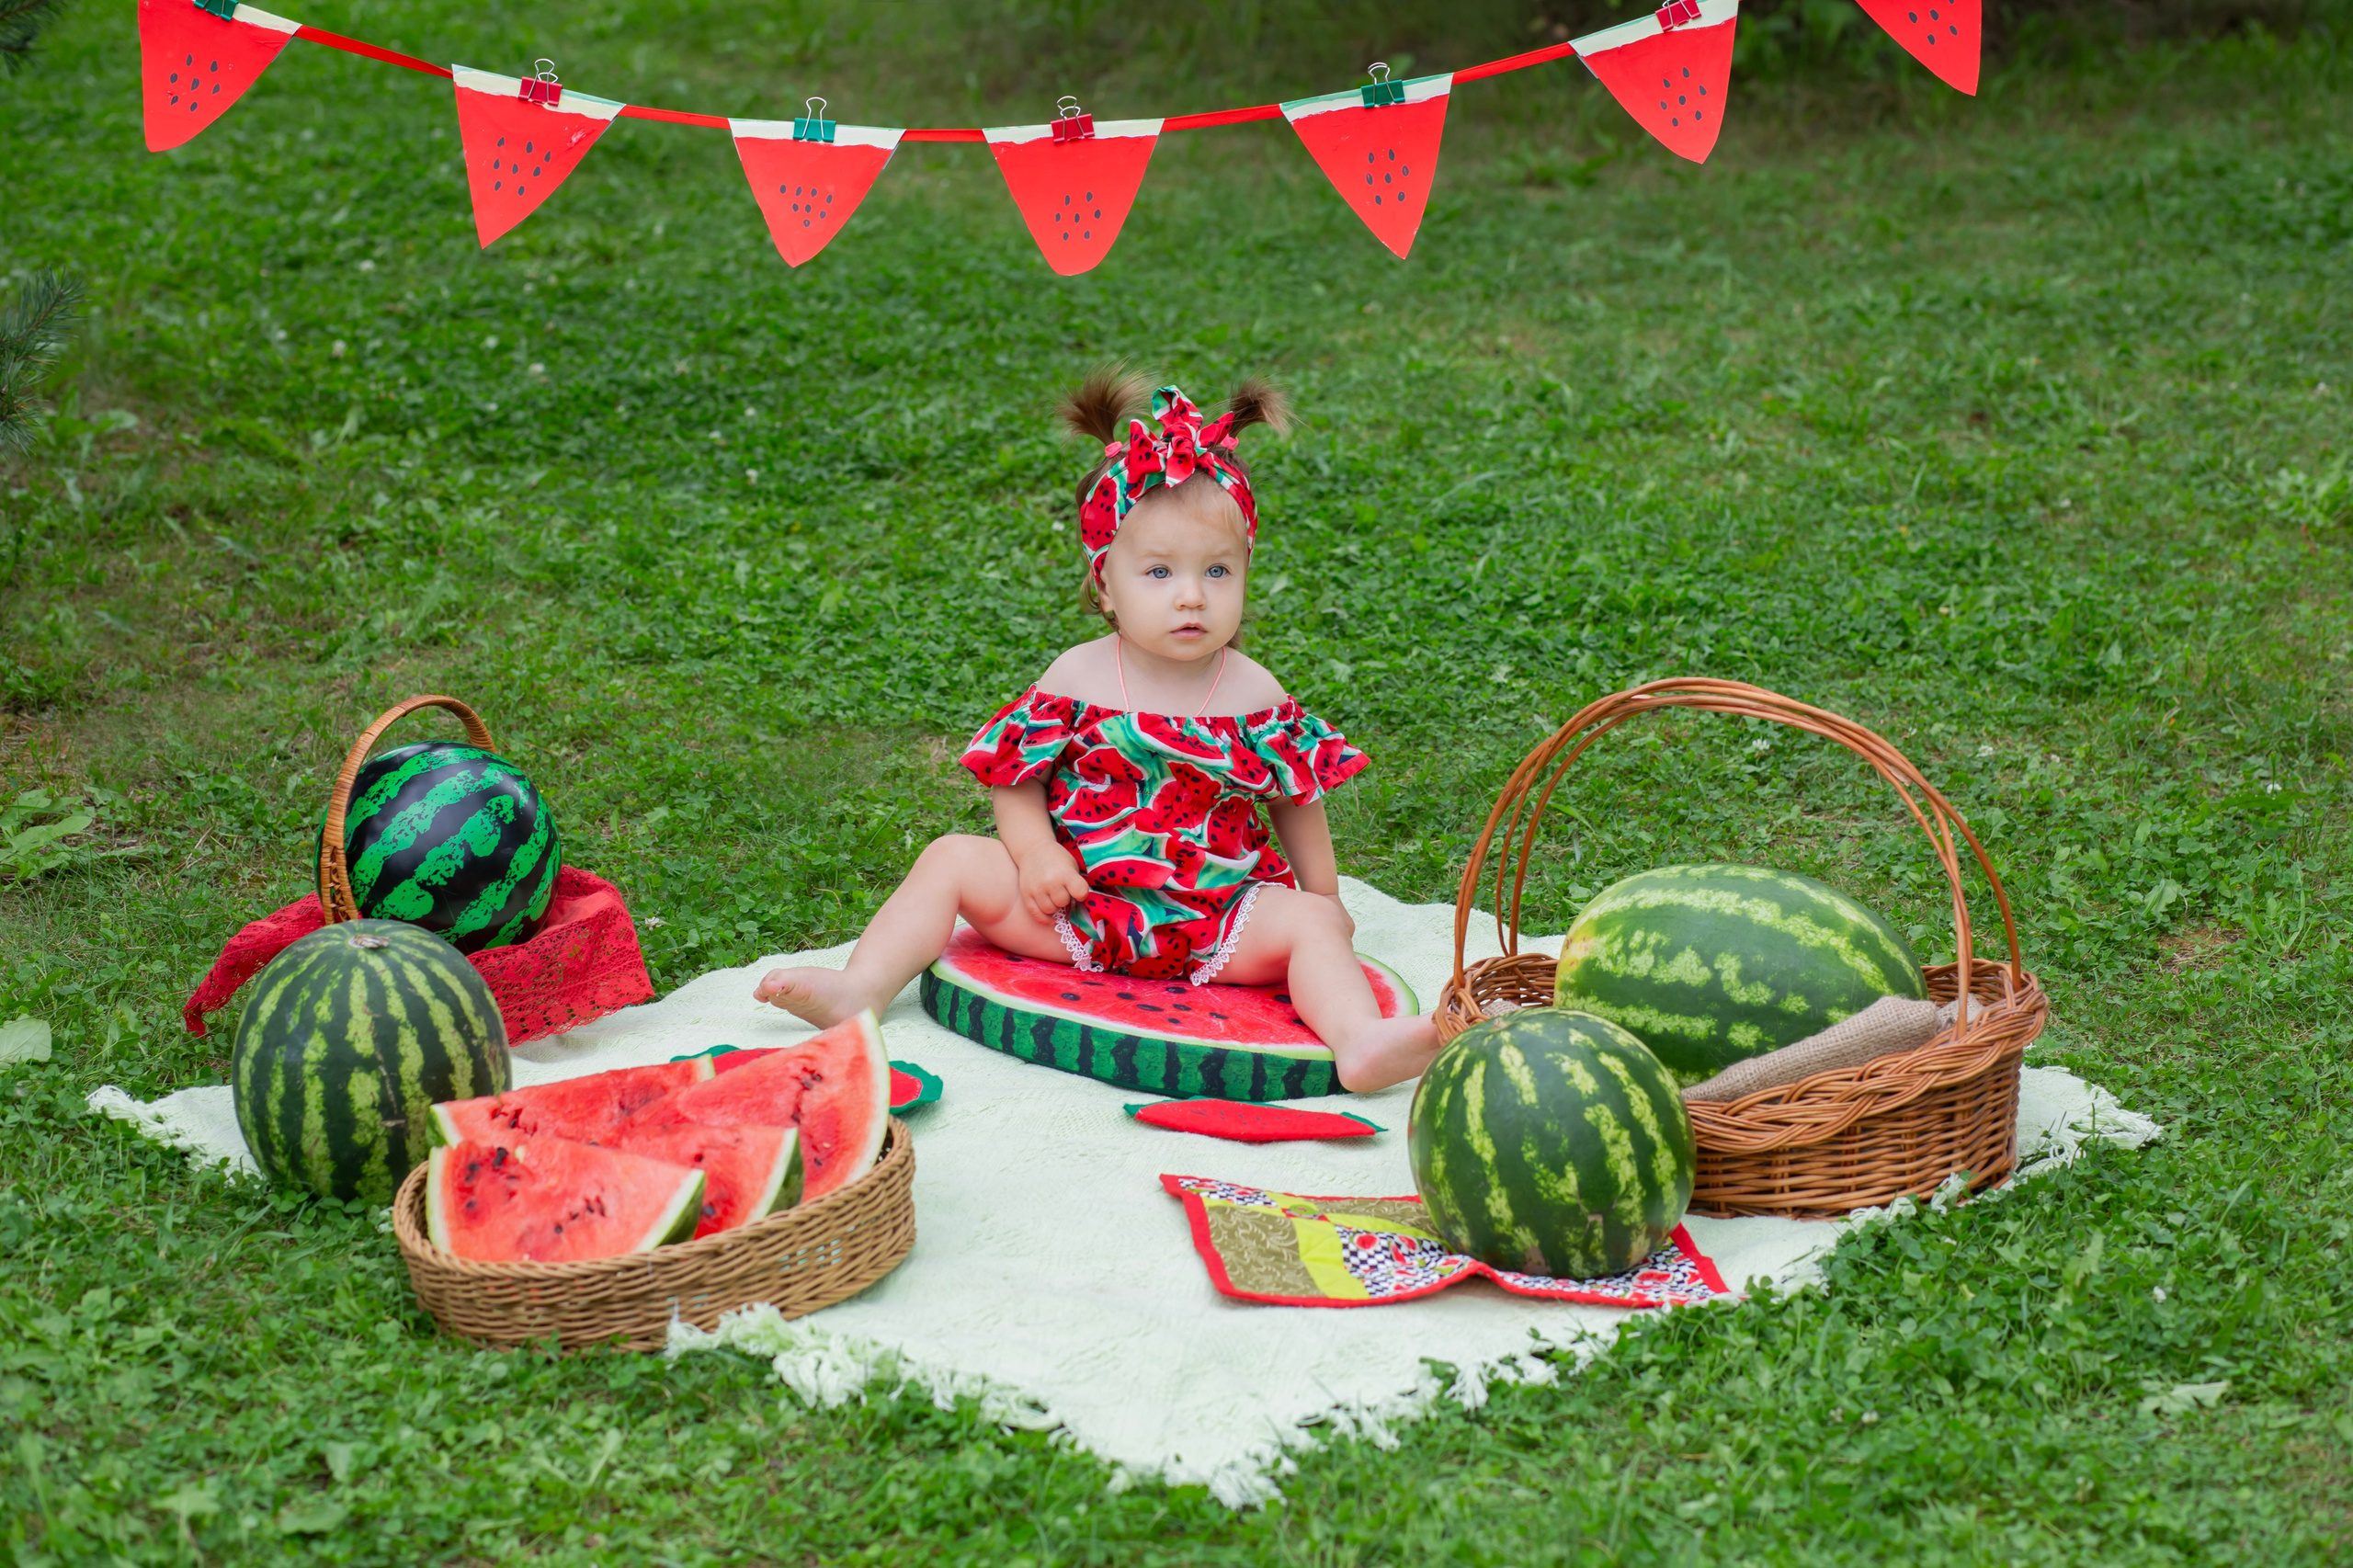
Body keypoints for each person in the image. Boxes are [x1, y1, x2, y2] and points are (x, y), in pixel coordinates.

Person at [754, 368, 1440, 1091]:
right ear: (1104, 584)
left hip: (1220, 922)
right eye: (1157, 573)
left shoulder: (1254, 693)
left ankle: (1360, 1041)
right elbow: (1016, 780)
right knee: (953, 857)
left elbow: (1296, 799)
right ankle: (860, 986)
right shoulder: (1075, 678)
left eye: (1216, 571)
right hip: (1074, 909)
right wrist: (1037, 855)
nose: (1190, 596)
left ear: (1246, 573)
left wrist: (1325, 898)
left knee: (1311, 926)